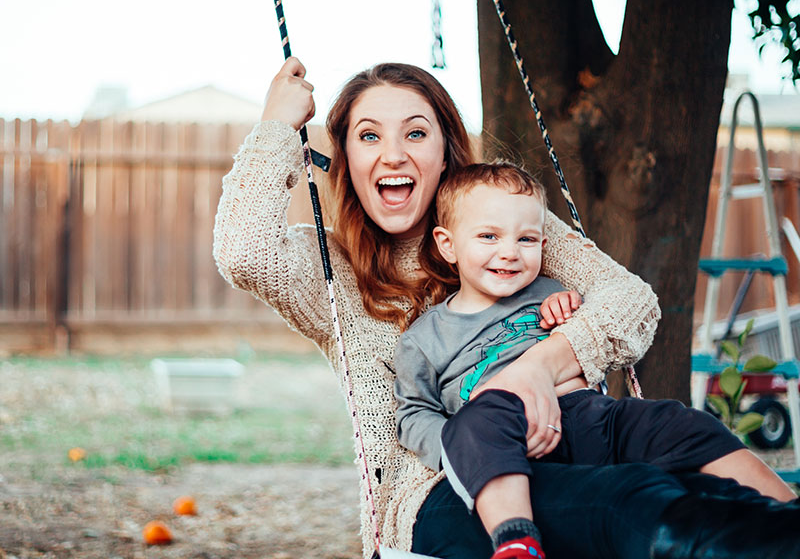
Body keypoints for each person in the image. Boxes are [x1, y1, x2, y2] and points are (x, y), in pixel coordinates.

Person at [213, 57, 800, 559]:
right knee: (629, 503)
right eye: (368, 136)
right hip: (439, 493)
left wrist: (537, 369)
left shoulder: (503, 224)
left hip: (569, 442)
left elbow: (631, 302)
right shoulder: (331, 273)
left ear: (446, 151)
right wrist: (275, 129)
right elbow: (244, 251)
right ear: (343, 155)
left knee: (687, 474)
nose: (392, 154)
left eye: (415, 134)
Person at [394, 161, 796, 559]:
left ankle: (786, 510)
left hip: (589, 415)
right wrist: (458, 447)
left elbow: (600, 329)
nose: (509, 253)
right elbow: (413, 413)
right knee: (479, 417)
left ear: (543, 246)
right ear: (448, 244)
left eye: (526, 240)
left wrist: (571, 311)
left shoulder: (549, 293)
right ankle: (516, 539)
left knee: (680, 420)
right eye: (488, 236)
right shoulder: (425, 338)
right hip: (505, 431)